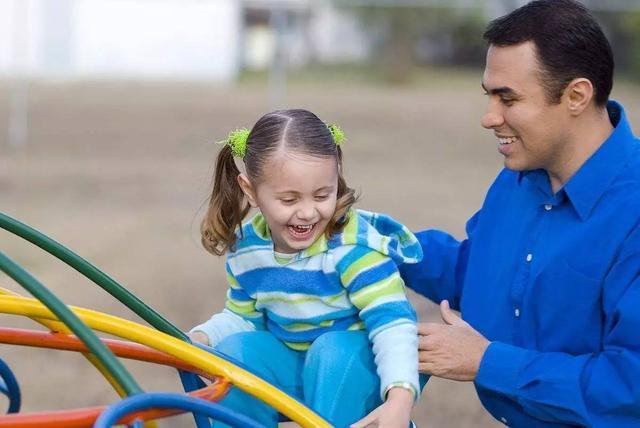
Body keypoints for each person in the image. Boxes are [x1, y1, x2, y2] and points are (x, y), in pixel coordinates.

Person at [400, 0, 640, 426]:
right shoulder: (521, 178)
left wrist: (487, 362)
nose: (489, 117)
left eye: (507, 98)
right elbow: (481, 276)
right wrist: (380, 242)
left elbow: (628, 387)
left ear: (576, 96)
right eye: (489, 95)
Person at [188, 109, 422, 427]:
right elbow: (243, 318)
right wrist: (202, 336)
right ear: (250, 191)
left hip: (356, 373)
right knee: (233, 351)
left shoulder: (353, 246)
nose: (308, 212)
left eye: (323, 195)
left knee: (331, 350)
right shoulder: (248, 248)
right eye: (289, 200)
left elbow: (392, 323)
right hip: (294, 366)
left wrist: (400, 397)